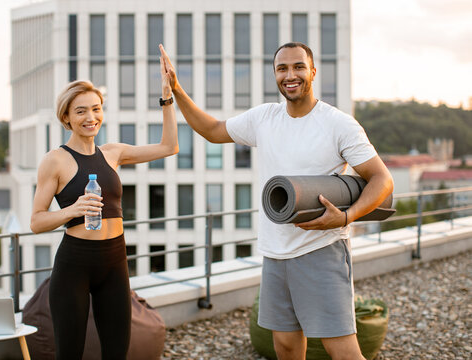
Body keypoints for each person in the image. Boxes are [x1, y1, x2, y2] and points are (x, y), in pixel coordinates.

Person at [159, 42, 393, 360]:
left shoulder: (339, 124)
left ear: (312, 71)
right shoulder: (264, 118)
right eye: (282, 68)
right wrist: (176, 88)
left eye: (298, 66)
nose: (290, 75)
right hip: (274, 254)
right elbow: (212, 130)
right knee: (284, 346)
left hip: (321, 250)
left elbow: (382, 179)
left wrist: (347, 217)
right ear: (275, 75)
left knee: (342, 351)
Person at [30, 52, 178, 359]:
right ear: (66, 117)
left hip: (115, 260)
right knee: (70, 353)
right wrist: (72, 211)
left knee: (117, 352)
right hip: (74, 264)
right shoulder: (54, 160)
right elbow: (36, 222)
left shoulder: (113, 152)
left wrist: (167, 98)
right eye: (81, 111)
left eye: (96, 109)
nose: (90, 118)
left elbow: (169, 146)